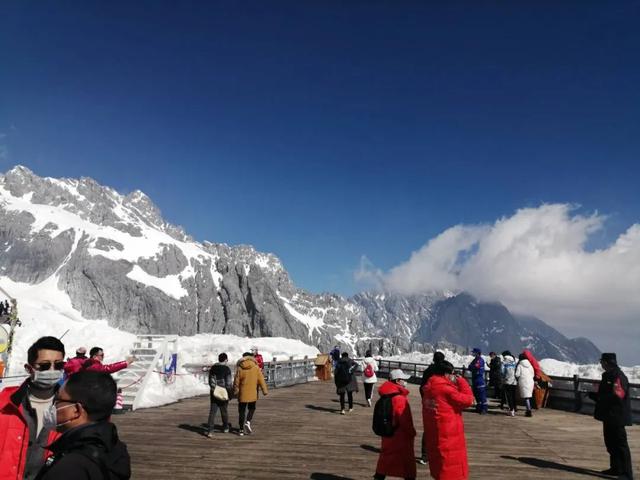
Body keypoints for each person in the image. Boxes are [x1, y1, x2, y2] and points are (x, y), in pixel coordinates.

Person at [34, 370, 131, 479]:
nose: (53, 407)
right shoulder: (115, 449)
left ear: (76, 410)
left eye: (57, 400)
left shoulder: (68, 469)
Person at [0, 336, 65, 480]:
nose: (52, 370)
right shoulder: (5, 405)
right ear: (29, 368)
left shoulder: (70, 410)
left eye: (59, 365)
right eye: (44, 366)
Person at [422, 361, 475, 480]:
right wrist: (462, 382)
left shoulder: (428, 388)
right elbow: (468, 400)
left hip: (434, 434)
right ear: (446, 374)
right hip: (449, 436)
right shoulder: (446, 390)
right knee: (451, 470)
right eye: (452, 373)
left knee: (439, 466)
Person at [588, 353, 634, 479]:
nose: (601, 364)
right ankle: (616, 468)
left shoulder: (618, 376)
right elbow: (608, 394)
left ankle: (627, 474)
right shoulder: (608, 375)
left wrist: (600, 398)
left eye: (602, 361)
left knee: (620, 445)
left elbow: (618, 395)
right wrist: (595, 396)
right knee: (610, 443)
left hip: (617, 416)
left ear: (607, 362)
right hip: (608, 415)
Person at [373, 369, 416, 480]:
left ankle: (378, 477)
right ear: (397, 381)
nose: (405, 382)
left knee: (385, 459)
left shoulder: (386, 395)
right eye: (403, 380)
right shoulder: (399, 398)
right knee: (407, 463)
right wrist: (412, 432)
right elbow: (404, 420)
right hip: (400, 436)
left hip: (388, 433)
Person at [418, 350, 446, 464]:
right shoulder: (444, 370)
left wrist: (425, 399)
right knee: (442, 429)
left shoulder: (428, 371)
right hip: (442, 404)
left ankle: (425, 455)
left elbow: (422, 387)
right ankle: (440, 454)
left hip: (428, 403)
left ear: (434, 359)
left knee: (428, 429)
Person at [233, 352, 268, 436]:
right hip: (253, 392)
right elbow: (261, 380)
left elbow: (236, 382)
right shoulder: (256, 367)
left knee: (241, 411)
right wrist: (264, 391)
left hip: (242, 393)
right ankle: (248, 421)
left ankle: (241, 430)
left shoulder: (240, 368)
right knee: (252, 408)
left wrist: (235, 391)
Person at [206, 352, 233, 437]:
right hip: (224, 392)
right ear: (225, 360)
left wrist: (214, 389)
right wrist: (230, 394)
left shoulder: (213, 368)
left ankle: (210, 431)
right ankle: (225, 427)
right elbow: (228, 383)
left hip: (214, 392)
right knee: (224, 411)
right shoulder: (226, 369)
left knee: (212, 412)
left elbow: (210, 381)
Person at [467, 348, 488, 414]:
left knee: (481, 394)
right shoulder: (475, 360)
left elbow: (476, 367)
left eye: (474, 352)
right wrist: (472, 367)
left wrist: (473, 367)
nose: (473, 353)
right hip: (474, 378)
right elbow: (469, 367)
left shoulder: (480, 360)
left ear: (477, 353)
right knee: (476, 394)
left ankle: (484, 408)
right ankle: (479, 407)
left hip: (479, 378)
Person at [515, 353, 535, 417]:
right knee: (528, 396)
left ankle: (528, 411)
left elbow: (517, 374)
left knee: (526, 397)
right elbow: (533, 374)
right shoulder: (530, 365)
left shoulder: (520, 365)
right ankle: (529, 409)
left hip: (523, 381)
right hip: (530, 382)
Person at [501, 351, 517, 417]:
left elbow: (502, 371)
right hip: (514, 381)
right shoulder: (514, 362)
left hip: (507, 381)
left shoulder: (504, 362)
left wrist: (503, 378)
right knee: (513, 396)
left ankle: (511, 410)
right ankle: (514, 409)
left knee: (508, 396)